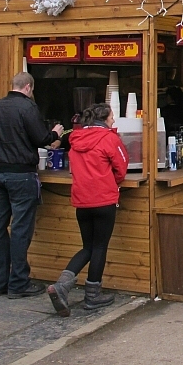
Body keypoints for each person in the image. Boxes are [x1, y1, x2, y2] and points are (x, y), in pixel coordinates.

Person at [0, 72, 63, 299]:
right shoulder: (28, 107)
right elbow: (40, 138)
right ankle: (18, 283)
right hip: (21, 175)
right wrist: (55, 133)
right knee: (20, 229)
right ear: (28, 87)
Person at [47, 103, 127, 316]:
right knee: (99, 247)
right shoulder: (109, 138)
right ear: (105, 119)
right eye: (112, 117)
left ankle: (61, 286)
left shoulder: (75, 138)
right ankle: (92, 296)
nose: (113, 120)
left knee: (88, 247)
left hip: (82, 201)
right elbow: (121, 167)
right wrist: (111, 181)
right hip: (103, 199)